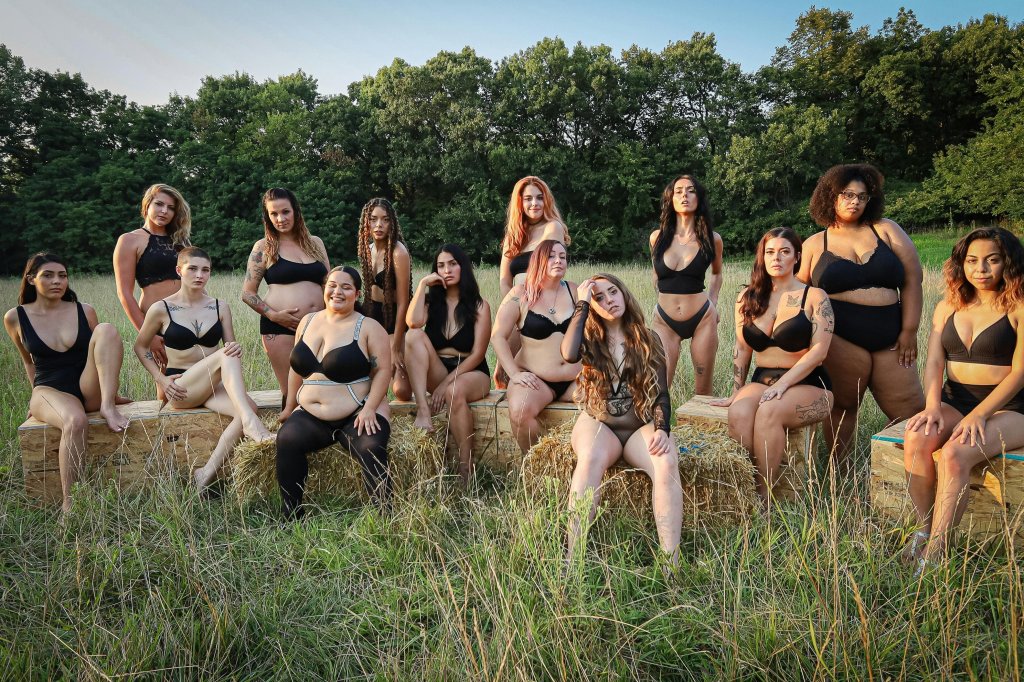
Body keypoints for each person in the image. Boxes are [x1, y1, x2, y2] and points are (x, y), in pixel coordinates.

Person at [902, 227, 1024, 567]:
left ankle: (938, 552)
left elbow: (1019, 373)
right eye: (972, 261)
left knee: (955, 454)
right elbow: (934, 361)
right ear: (961, 264)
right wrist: (931, 406)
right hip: (954, 399)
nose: (980, 269)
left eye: (992, 260)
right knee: (917, 436)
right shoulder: (947, 306)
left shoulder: (1018, 307)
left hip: (1008, 407)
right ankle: (922, 531)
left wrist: (981, 414)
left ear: (1008, 264)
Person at [798, 163, 925, 467]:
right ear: (830, 197)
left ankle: (899, 470)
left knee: (912, 410)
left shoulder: (886, 229)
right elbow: (797, 294)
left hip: (892, 335)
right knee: (843, 407)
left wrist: (909, 330)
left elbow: (913, 280)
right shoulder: (815, 244)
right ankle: (839, 471)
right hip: (840, 337)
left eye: (862, 196)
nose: (855, 201)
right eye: (847, 195)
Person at [561, 273, 682, 565]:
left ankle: (671, 563)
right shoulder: (589, 338)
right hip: (599, 423)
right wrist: (582, 305)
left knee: (665, 462)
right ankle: (572, 559)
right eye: (599, 297)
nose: (609, 301)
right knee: (589, 459)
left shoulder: (647, 338)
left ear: (624, 293)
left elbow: (662, 394)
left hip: (639, 424)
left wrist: (663, 430)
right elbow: (567, 354)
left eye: (613, 292)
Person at [134, 247, 274, 493]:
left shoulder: (220, 307)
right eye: (193, 269)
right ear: (179, 271)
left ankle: (206, 471)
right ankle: (254, 426)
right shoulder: (161, 308)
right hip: (181, 388)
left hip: (211, 387)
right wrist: (161, 379)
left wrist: (235, 349)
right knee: (226, 361)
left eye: (205, 270)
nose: (200, 275)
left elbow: (230, 348)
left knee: (247, 407)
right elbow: (140, 347)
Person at [712, 228, 835, 503]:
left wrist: (782, 385)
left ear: (797, 257)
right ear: (762, 257)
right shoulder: (746, 297)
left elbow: (819, 352)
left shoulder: (814, 297)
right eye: (770, 252)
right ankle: (742, 491)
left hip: (810, 384)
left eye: (784, 251)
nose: (776, 258)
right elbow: (742, 347)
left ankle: (764, 499)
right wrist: (736, 390)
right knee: (740, 412)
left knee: (768, 412)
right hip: (763, 380)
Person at [4, 253, 131, 512]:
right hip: (49, 387)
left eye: (62, 275)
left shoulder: (83, 310)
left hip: (87, 386)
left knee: (106, 329)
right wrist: (39, 402)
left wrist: (111, 395)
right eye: (48, 275)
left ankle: (107, 406)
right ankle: (70, 504)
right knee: (75, 421)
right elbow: (29, 362)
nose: (57, 281)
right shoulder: (15, 317)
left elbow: (100, 355)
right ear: (30, 279)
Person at [277, 266, 393, 519]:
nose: (337, 291)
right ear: (324, 288)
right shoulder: (307, 322)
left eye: (346, 287)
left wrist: (370, 408)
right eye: (332, 285)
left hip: (355, 411)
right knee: (287, 440)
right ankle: (292, 513)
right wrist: (288, 408)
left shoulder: (369, 327)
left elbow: (384, 371)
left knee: (371, 446)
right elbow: (296, 369)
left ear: (357, 293)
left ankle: (386, 515)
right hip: (312, 415)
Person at [404, 245, 492, 484]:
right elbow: (412, 323)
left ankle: (466, 469)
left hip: (472, 371)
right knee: (412, 336)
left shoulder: (479, 306)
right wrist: (422, 286)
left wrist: (444, 384)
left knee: (453, 392)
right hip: (439, 367)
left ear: (462, 266)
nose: (447, 270)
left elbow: (478, 354)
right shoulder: (431, 304)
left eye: (452, 263)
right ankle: (424, 412)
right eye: (441, 265)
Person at [492, 240, 581, 454]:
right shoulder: (520, 293)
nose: (559, 260)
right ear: (538, 259)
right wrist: (513, 374)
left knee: (609, 402)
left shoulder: (575, 291)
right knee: (520, 411)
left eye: (563, 256)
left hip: (576, 379)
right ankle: (536, 465)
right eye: (551, 256)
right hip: (536, 379)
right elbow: (498, 336)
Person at [242, 188, 330, 400]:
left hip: (319, 325)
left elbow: (329, 283)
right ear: (267, 216)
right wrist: (273, 315)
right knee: (292, 393)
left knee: (324, 388)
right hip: (281, 328)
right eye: (274, 214)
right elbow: (247, 293)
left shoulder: (315, 243)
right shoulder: (264, 248)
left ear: (296, 211)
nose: (280, 218)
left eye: (285, 212)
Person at [649, 175, 723, 395]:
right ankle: (660, 430)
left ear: (698, 197)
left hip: (702, 318)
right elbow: (656, 275)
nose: (684, 195)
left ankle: (700, 429)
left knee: (703, 391)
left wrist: (713, 301)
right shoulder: (657, 238)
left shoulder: (713, 239)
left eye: (690, 191)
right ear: (671, 198)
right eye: (679, 191)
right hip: (664, 320)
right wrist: (661, 303)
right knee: (659, 388)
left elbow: (717, 274)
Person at [495, 176, 571, 388]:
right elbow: (504, 279)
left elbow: (550, 270)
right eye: (528, 198)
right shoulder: (514, 235)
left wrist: (527, 310)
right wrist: (512, 310)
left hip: (539, 308)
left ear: (546, 200)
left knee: (528, 368)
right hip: (516, 306)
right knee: (503, 371)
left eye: (539, 198)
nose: (534, 203)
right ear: (520, 202)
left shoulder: (552, 228)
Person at [113, 184, 191, 385]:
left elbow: (195, 280)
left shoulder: (181, 241)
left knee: (196, 376)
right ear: (147, 204)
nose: (164, 211)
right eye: (159, 204)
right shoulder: (129, 240)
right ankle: (164, 416)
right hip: (157, 320)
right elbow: (124, 294)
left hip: (189, 314)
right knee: (167, 379)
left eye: (171, 207)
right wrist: (147, 335)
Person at [356, 198, 411, 398]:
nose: (379, 225)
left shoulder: (398, 253)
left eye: (385, 220)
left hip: (394, 320)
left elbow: (404, 301)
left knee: (401, 391)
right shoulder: (367, 251)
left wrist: (396, 347)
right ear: (366, 222)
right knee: (365, 381)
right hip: (372, 318)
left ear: (392, 223)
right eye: (373, 219)